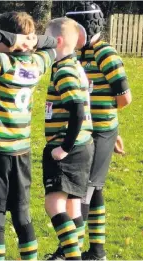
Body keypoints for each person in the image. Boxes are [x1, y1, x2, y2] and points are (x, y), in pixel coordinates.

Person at [0, 12, 57, 260]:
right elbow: (53, 44)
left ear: (5, 40)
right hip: (20, 154)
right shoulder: (37, 65)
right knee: (21, 213)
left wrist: (14, 39)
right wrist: (32, 40)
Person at [66, 2, 132, 260]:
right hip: (87, 132)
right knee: (95, 189)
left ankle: (68, 250)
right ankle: (96, 251)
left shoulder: (106, 54)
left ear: (87, 28)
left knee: (84, 191)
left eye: (74, 29)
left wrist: (108, 126)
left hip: (101, 132)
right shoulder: (80, 54)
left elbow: (124, 98)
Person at [41, 17, 94, 260]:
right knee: (73, 205)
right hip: (84, 146)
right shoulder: (75, 64)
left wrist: (64, 147)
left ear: (57, 41)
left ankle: (72, 257)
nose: (42, 42)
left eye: (46, 37)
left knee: (53, 205)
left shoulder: (64, 70)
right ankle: (70, 254)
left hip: (69, 147)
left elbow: (78, 110)